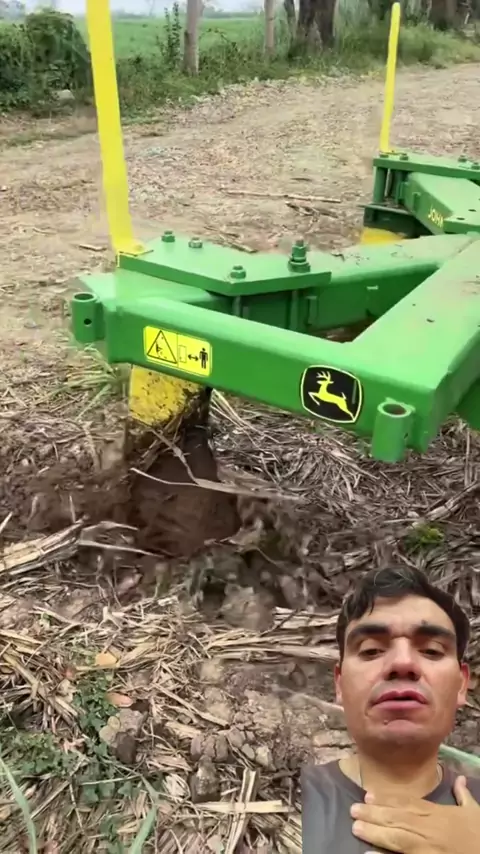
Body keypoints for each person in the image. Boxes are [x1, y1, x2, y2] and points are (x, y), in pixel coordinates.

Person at [301, 565, 480, 853]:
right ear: (340, 684)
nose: (403, 663)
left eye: (432, 650)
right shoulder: (279, 797)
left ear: (461, 685)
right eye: (371, 650)